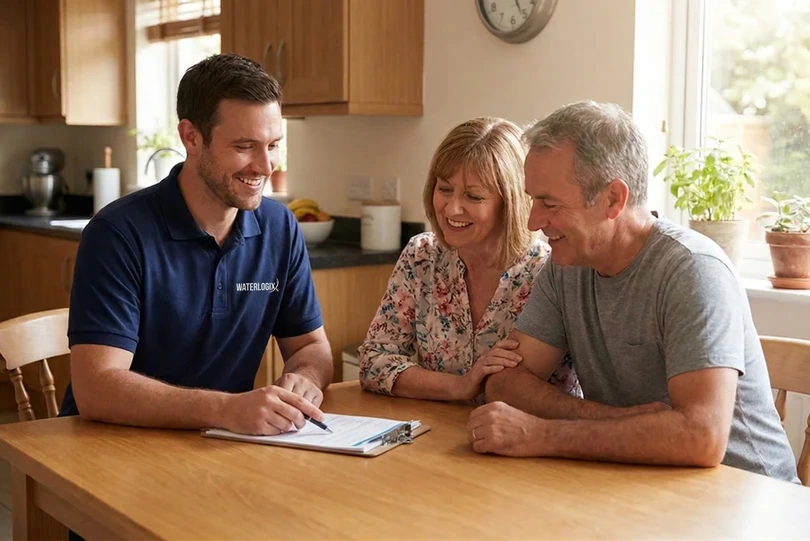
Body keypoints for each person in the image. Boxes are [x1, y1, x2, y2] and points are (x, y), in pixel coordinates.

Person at [467, 101, 799, 483]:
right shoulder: (567, 266)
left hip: (747, 500)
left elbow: (701, 438)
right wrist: (623, 421)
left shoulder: (692, 269)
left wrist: (540, 433)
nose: (533, 221)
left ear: (613, 199)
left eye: (549, 203)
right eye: (532, 200)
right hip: (640, 481)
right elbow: (505, 382)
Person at [59, 54, 333, 436]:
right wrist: (226, 408)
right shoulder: (117, 233)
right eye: (244, 146)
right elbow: (97, 388)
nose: (266, 166)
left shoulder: (279, 227)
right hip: (110, 442)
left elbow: (311, 347)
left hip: (217, 440)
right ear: (191, 136)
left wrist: (305, 377)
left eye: (272, 145)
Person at [358, 117, 579, 403]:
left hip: (529, 441)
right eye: (444, 189)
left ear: (511, 201)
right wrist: (459, 386)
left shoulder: (551, 271)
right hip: (438, 434)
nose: (452, 208)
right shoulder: (421, 256)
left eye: (473, 196)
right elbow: (373, 362)